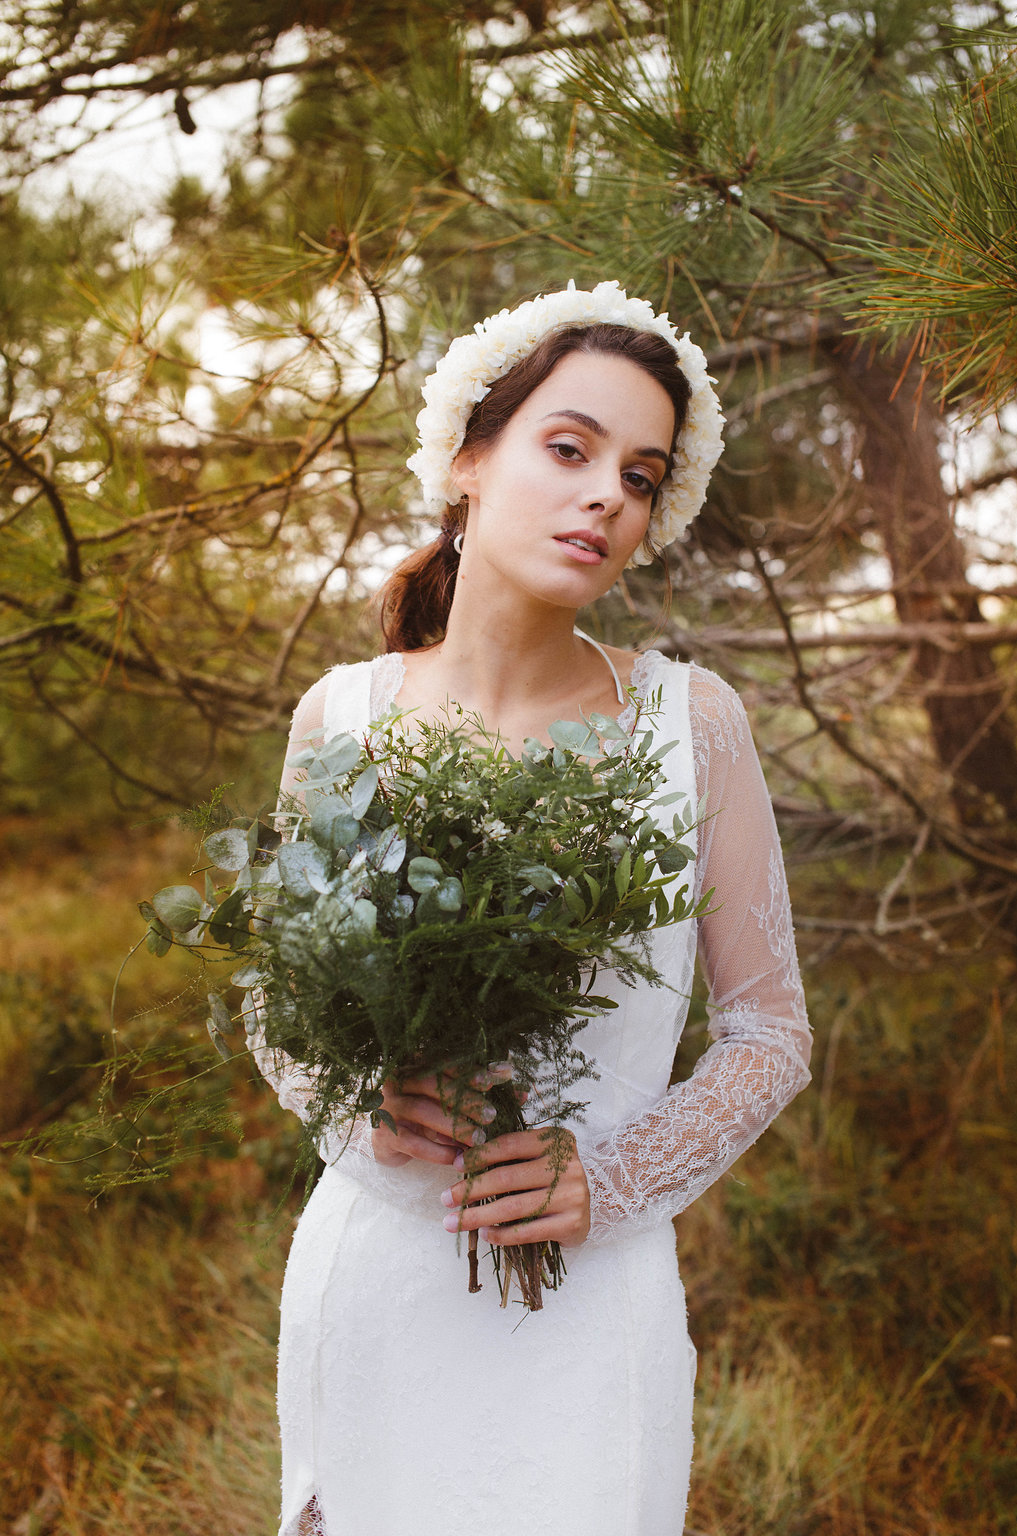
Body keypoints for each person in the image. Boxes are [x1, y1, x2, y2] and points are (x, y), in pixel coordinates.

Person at [251, 281, 812, 1536]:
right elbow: (273, 1003)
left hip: (591, 1301)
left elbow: (770, 1031)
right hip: (381, 1277)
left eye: (641, 473)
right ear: (469, 460)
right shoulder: (341, 717)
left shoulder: (689, 724)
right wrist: (358, 1099)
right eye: (570, 448)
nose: (608, 492)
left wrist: (603, 1182)